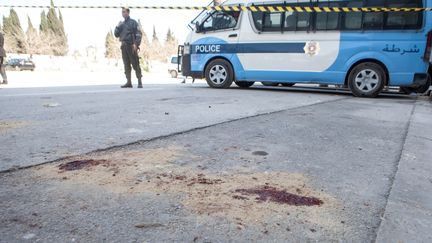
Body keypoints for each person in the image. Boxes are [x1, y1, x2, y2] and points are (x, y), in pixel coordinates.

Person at [114, 7, 143, 88]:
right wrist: (117, 26)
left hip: (131, 45)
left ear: (128, 13)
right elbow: (116, 35)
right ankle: (128, 82)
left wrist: (136, 44)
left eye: (125, 12)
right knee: (126, 64)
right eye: (122, 12)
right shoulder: (121, 24)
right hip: (124, 46)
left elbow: (138, 34)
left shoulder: (133, 22)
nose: (123, 13)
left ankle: (139, 81)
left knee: (135, 63)